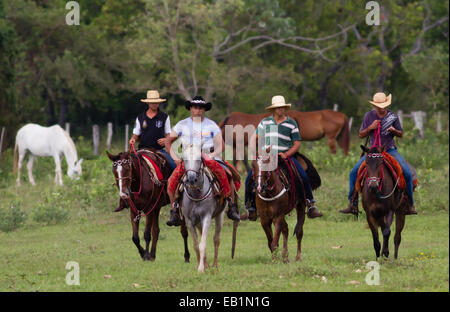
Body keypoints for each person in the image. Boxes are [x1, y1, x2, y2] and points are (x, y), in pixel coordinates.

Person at [165, 96, 241, 226]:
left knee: (227, 174)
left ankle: (231, 205)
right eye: (195, 107)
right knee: (171, 182)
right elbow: (168, 141)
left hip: (207, 156)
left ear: (204, 110)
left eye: (201, 108)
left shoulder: (211, 125)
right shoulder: (182, 124)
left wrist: (212, 155)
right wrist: (175, 158)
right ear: (190, 108)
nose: (198, 110)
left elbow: (221, 145)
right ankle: (175, 211)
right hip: (189, 159)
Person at [245, 95, 323, 220]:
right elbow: (254, 138)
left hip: (285, 156)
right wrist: (255, 154)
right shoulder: (265, 122)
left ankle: (310, 204)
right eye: (278, 107)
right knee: (250, 178)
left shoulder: (291, 123)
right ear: (273, 109)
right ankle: (250, 207)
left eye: (283, 107)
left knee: (302, 175)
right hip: (267, 157)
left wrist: (286, 154)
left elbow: (297, 143)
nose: (281, 109)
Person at [339, 92, 417, 216]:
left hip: (390, 150)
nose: (382, 108)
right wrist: (370, 128)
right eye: (379, 106)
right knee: (353, 173)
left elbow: (401, 134)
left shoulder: (393, 116)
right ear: (375, 106)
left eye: (384, 105)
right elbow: (361, 134)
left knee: (406, 173)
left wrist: (394, 131)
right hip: (373, 152)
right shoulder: (368, 116)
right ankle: (352, 203)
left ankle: (410, 204)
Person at [114, 90, 176, 212]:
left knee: (174, 165)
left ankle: (174, 197)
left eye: (156, 102)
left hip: (159, 150)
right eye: (152, 102)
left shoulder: (164, 117)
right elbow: (136, 134)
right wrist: (132, 139)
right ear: (148, 103)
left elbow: (169, 134)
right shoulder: (140, 117)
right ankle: (124, 199)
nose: (154, 105)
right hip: (142, 149)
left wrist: (166, 139)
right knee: (125, 167)